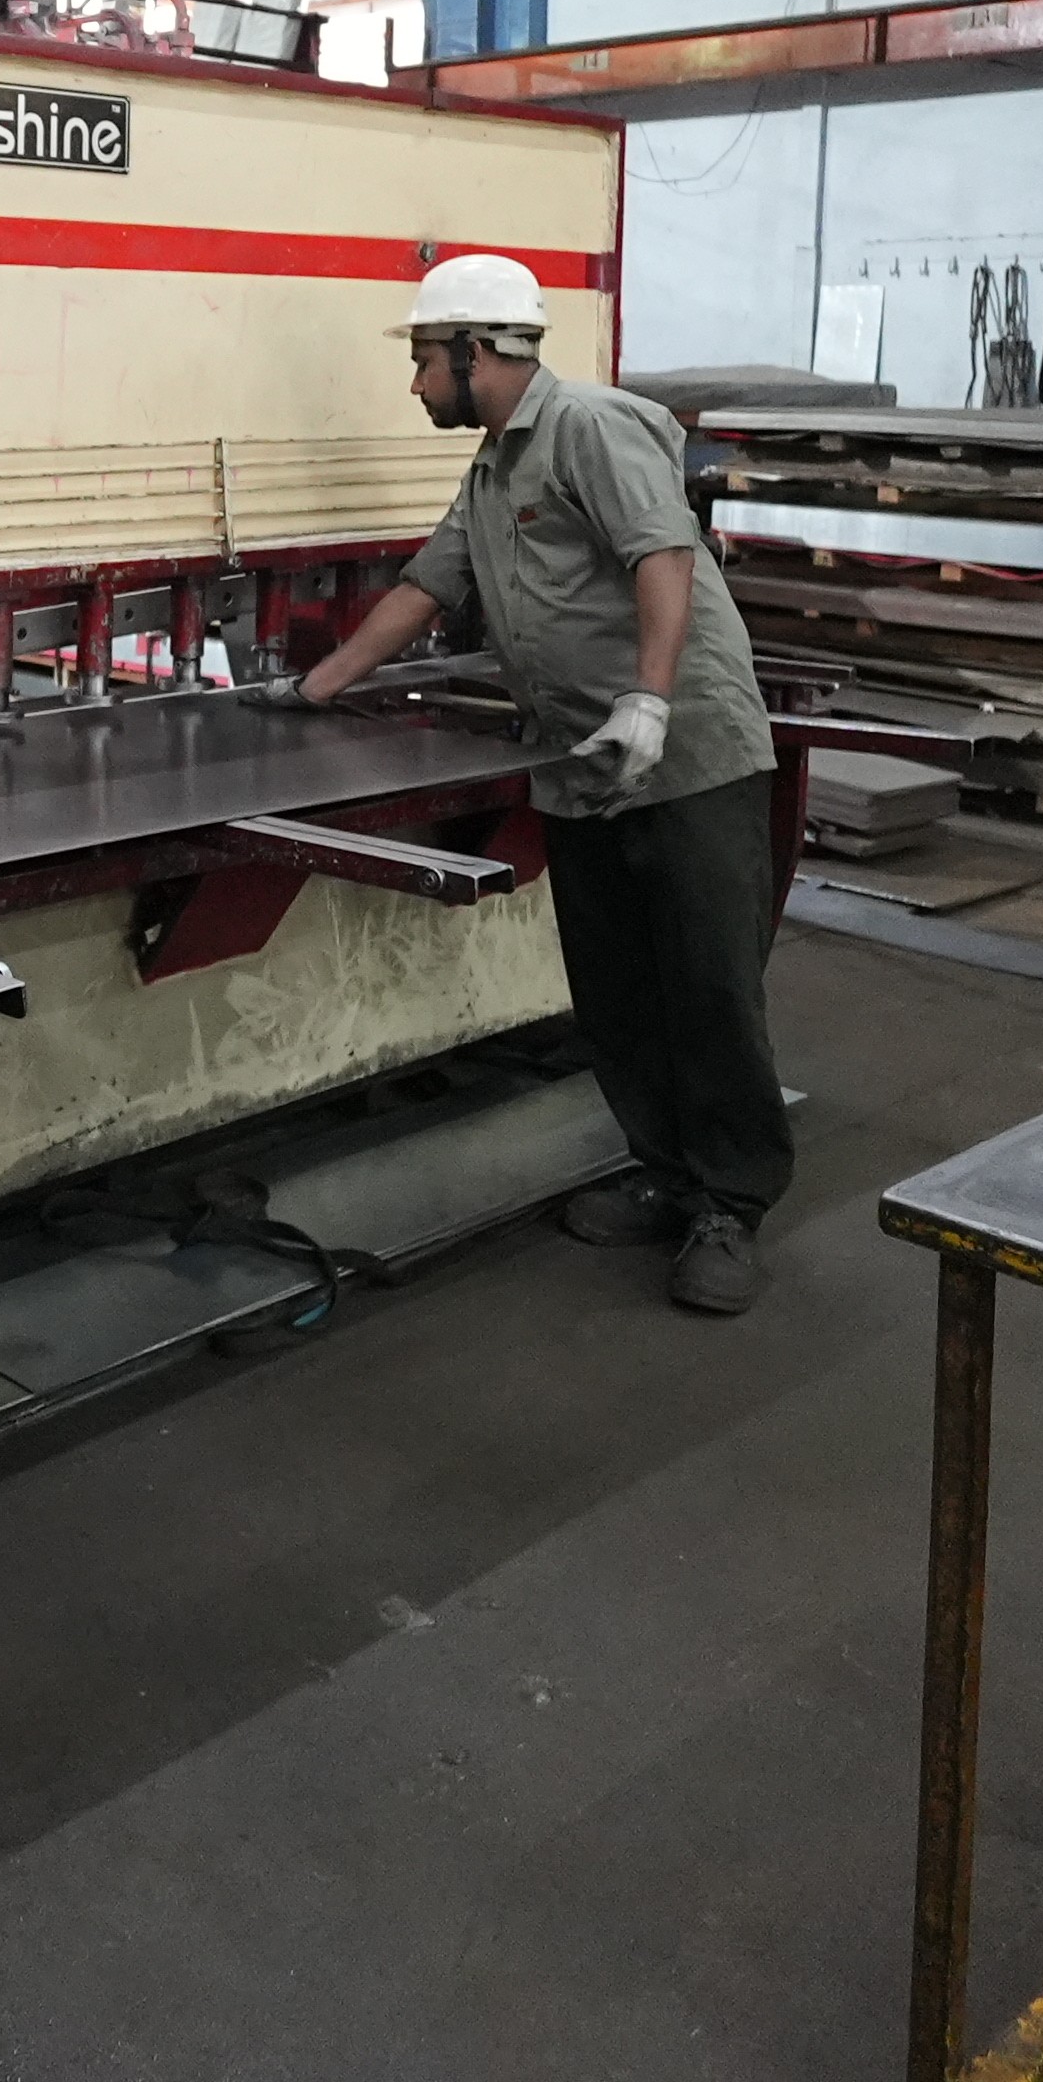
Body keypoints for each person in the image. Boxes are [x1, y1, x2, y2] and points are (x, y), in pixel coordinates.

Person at [288, 254, 793, 1315]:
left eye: (424, 361)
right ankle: (666, 1172)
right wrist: (316, 686)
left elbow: (663, 555)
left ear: (476, 351)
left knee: (707, 987)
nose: (415, 383)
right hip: (580, 764)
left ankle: (730, 1205)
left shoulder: (590, 428)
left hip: (684, 757)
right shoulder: (491, 473)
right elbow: (428, 586)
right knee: (617, 993)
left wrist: (649, 700)